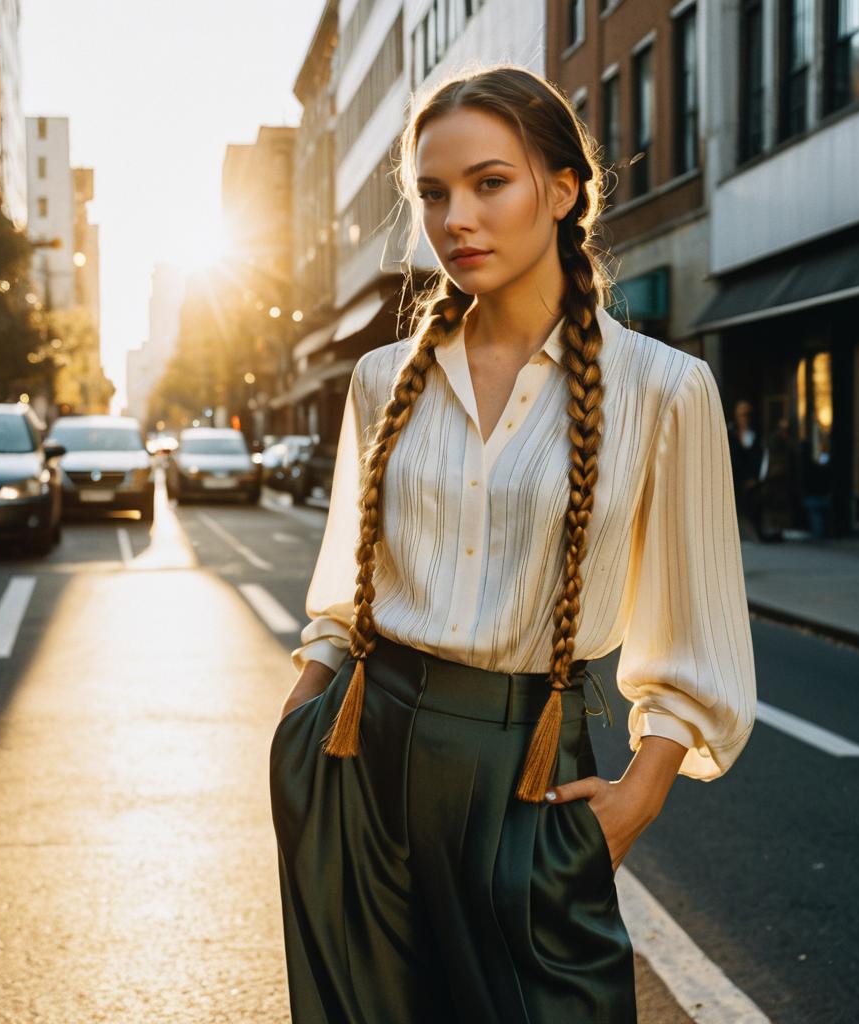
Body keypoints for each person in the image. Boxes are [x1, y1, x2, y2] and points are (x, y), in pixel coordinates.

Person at [269, 65, 757, 1024]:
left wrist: (639, 793)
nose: (458, 217)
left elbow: (699, 622)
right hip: (360, 761)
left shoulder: (663, 391)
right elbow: (343, 595)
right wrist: (296, 738)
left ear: (562, 189)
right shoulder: (378, 380)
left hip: (529, 777)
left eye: (490, 182)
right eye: (435, 192)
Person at [727, 399, 766, 541]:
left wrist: (755, 478)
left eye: (747, 414)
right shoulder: (730, 433)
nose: (744, 417)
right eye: (741, 414)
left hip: (751, 480)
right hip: (733, 479)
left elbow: (761, 457)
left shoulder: (755, 435)